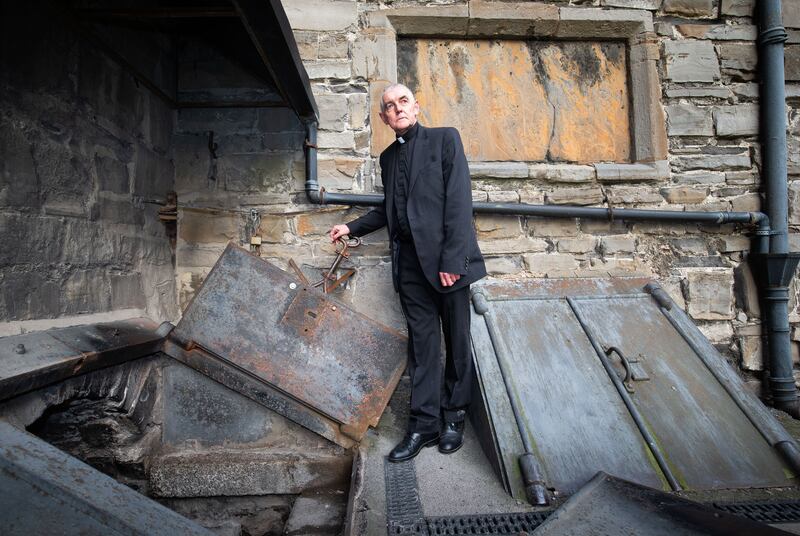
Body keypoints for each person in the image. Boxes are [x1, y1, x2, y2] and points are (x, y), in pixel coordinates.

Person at [329, 83, 486, 462]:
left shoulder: (445, 140)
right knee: (423, 346)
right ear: (383, 118)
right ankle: (423, 424)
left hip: (447, 264)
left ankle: (454, 417)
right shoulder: (388, 158)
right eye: (389, 106)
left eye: (403, 101)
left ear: (416, 106)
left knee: (457, 341)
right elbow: (389, 209)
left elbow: (459, 200)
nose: (397, 109)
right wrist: (352, 227)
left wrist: (452, 261)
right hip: (410, 267)